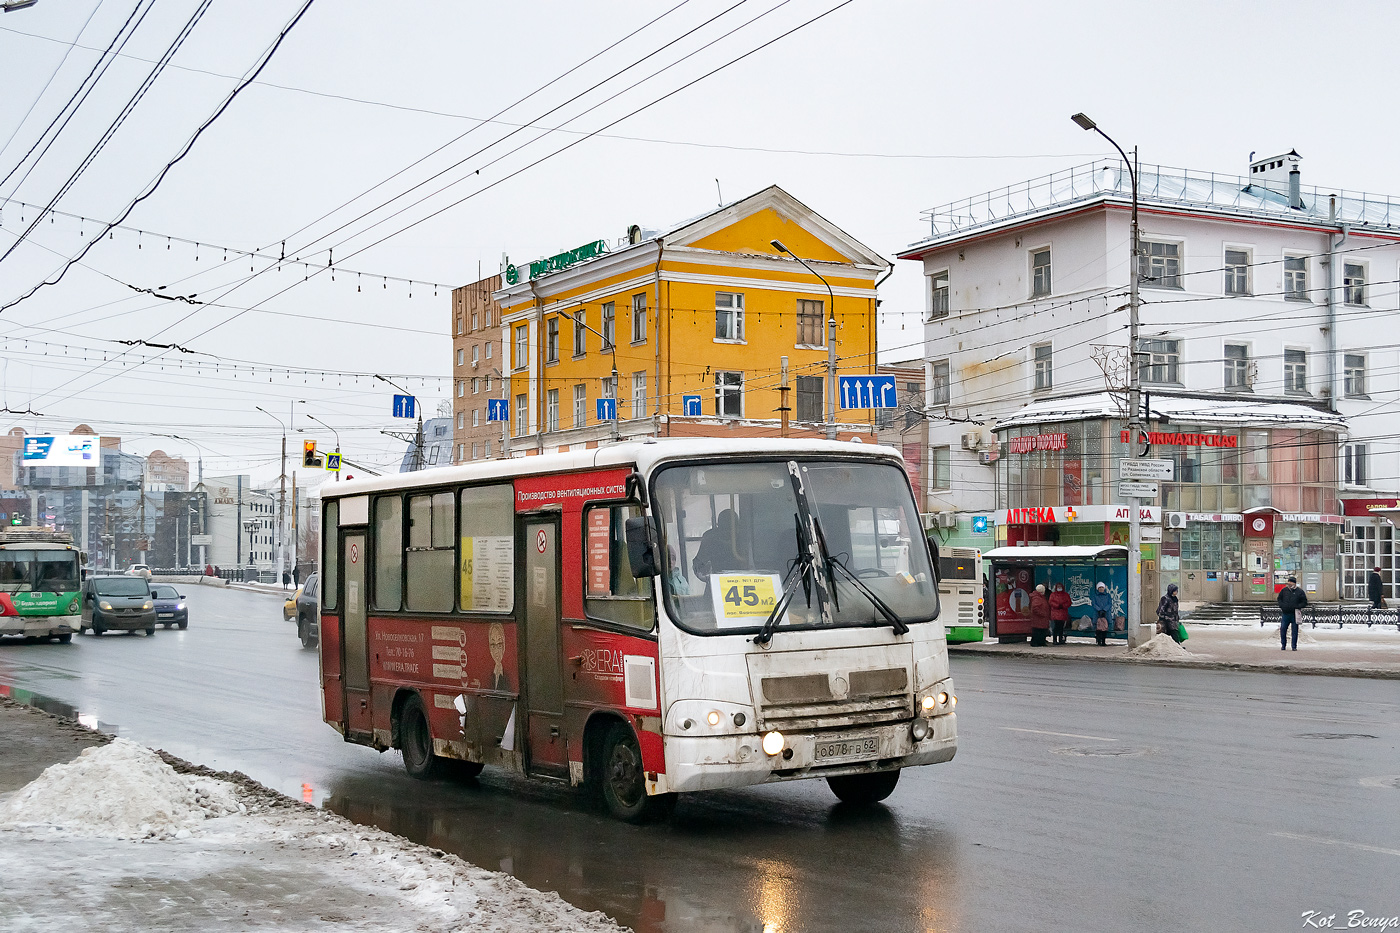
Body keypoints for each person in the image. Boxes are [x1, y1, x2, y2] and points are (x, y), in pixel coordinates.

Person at [692, 509, 747, 579]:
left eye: (732, 528)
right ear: (719, 527)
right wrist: (710, 578)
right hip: (717, 583)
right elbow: (699, 566)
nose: (728, 531)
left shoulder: (744, 539)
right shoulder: (710, 539)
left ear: (738, 527)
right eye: (725, 528)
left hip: (743, 582)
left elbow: (751, 566)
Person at [1278, 575, 1307, 651]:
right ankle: (1283, 645)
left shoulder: (1299, 592)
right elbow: (1279, 599)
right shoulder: (1284, 591)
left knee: (1294, 631)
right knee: (1283, 629)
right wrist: (1282, 606)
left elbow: (1304, 602)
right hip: (1286, 613)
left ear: (1294, 583)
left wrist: (1297, 606)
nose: (1289, 583)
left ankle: (1294, 646)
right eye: (1289, 582)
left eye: (1291, 582)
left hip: (1295, 614)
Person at [1091, 582, 1113, 646]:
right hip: (1097, 613)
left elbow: (1110, 603)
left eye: (1102, 587)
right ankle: (1098, 640)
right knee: (1098, 627)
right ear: (1098, 588)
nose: (1101, 589)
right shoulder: (1095, 596)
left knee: (1105, 627)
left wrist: (1104, 610)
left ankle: (1103, 641)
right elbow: (1093, 604)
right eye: (1100, 587)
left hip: (1106, 613)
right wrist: (1099, 610)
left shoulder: (1108, 595)